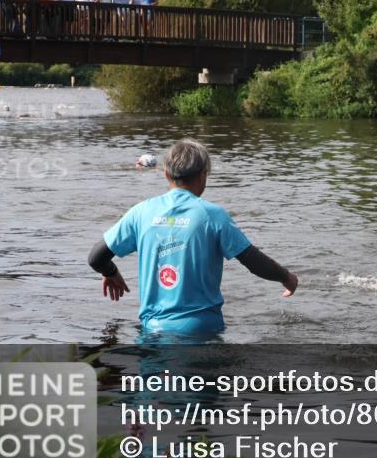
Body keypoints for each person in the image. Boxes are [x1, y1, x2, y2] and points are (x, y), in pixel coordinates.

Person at [88, 139, 299, 336]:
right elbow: (254, 262)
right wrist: (286, 278)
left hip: (154, 331)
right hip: (202, 331)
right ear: (203, 174)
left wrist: (111, 271)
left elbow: (96, 258)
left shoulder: (141, 212)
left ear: (166, 175)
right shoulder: (213, 216)